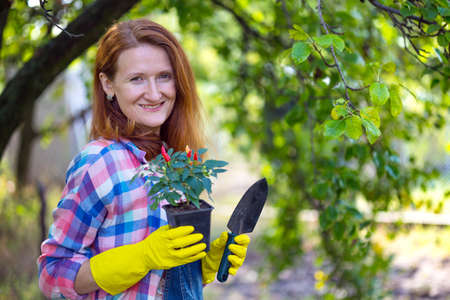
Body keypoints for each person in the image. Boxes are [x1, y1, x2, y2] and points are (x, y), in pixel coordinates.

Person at [37, 19, 250, 300]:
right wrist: (141, 256)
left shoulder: (178, 164)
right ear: (108, 84)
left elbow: (158, 285)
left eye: (164, 76)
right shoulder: (99, 162)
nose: (153, 93)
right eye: (137, 79)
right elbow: (52, 274)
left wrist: (201, 267)